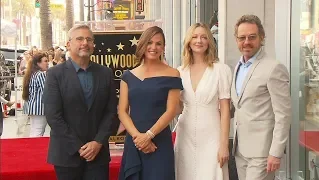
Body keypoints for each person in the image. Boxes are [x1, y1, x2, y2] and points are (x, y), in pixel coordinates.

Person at [43, 24, 118, 180]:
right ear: (69, 44)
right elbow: (53, 116)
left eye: (89, 39)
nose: (85, 42)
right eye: (80, 39)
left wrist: (98, 142)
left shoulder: (105, 73)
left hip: (98, 155)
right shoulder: (55, 74)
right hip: (66, 154)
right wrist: (79, 146)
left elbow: (111, 112)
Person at [231, 15, 291, 180]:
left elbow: (283, 115)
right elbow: (239, 105)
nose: (246, 42)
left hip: (262, 153)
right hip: (240, 150)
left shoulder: (274, 68)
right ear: (236, 40)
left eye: (252, 37)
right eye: (242, 38)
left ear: (262, 37)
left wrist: (276, 152)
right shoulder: (238, 66)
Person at [118, 26, 183, 180]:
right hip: (134, 141)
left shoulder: (173, 74)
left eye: (158, 43)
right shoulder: (128, 76)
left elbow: (171, 110)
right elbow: (122, 111)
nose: (153, 47)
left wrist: (148, 136)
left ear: (163, 47)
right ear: (142, 44)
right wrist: (138, 138)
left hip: (159, 141)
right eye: (150, 42)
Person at [174, 23, 232, 180]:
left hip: (212, 135)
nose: (199, 41)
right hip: (185, 135)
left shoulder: (221, 70)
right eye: (194, 36)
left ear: (209, 41)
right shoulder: (180, 71)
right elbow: (177, 107)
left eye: (203, 37)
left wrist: (224, 145)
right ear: (188, 41)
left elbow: (225, 110)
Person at [22, 53, 48, 137]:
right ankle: (34, 148)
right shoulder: (40, 74)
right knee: (38, 131)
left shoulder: (32, 74)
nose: (47, 63)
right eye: (45, 61)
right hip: (40, 108)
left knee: (34, 129)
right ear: (38, 63)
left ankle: (31, 147)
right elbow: (46, 91)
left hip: (32, 106)